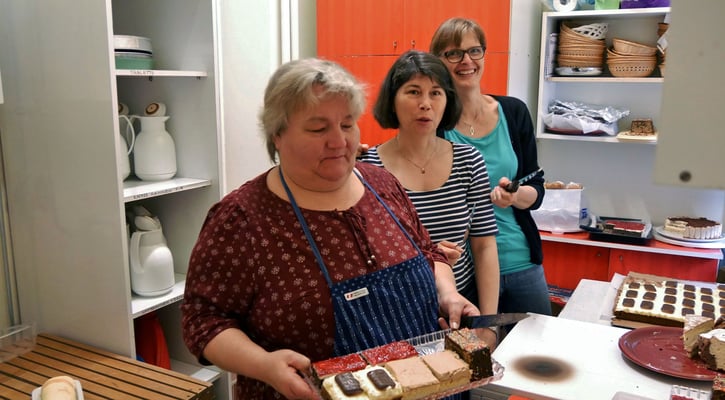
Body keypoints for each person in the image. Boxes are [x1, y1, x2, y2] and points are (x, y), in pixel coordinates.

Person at [180, 58, 480, 399]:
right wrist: (264, 365)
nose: (339, 141)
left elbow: (428, 252)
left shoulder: (383, 185)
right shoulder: (242, 218)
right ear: (278, 134)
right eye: (318, 129)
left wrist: (447, 293)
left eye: (348, 125)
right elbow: (204, 321)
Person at [358, 50, 500, 348]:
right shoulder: (368, 168)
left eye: (436, 93)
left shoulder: (469, 160)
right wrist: (426, 256)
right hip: (397, 313)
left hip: (461, 306)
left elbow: (484, 245)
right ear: (392, 100)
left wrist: (488, 324)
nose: (425, 103)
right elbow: (367, 257)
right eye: (413, 92)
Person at [429, 17, 553, 323]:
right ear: (438, 62)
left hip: (520, 260)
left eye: (474, 50)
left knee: (536, 347)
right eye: (454, 53)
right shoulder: (433, 123)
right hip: (463, 272)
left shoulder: (513, 112)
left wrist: (515, 196)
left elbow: (536, 188)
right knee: (477, 350)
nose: (466, 61)